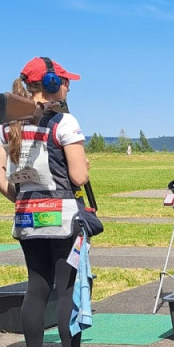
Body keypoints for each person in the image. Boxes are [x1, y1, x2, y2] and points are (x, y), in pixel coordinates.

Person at [0, 57, 87, 347]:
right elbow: (78, 177)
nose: (68, 88)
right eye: (64, 82)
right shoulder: (65, 122)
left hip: (26, 219)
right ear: (51, 84)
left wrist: (22, 199)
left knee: (36, 288)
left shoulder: (7, 127)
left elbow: (3, 178)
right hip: (62, 219)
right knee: (67, 290)